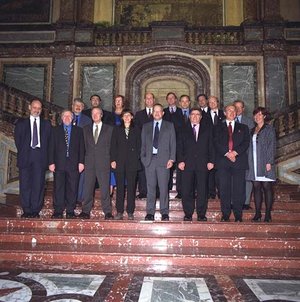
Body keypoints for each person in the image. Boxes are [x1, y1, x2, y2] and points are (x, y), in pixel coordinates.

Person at [14, 99, 51, 218]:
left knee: (38, 185)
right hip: (25, 156)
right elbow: (18, 141)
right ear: (30, 107)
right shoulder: (21, 123)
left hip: (40, 158)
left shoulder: (47, 124)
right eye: (34, 107)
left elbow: (49, 143)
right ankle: (27, 209)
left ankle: (35, 209)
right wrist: (25, 152)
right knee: (25, 184)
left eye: (39, 108)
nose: (37, 110)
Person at [213, 104, 250, 222]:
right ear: (224, 113)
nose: (232, 112)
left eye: (234, 110)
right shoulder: (217, 127)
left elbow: (246, 142)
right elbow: (215, 142)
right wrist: (227, 153)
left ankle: (238, 215)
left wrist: (235, 153)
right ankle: (225, 214)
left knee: (239, 189)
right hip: (223, 162)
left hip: (238, 162)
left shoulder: (243, 127)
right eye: (229, 110)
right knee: (224, 190)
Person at [177, 108, 215, 221]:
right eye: (192, 114)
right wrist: (180, 161)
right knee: (187, 189)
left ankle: (201, 214)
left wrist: (211, 161)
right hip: (187, 164)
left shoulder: (208, 129)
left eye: (197, 114)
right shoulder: (182, 129)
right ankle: (188, 213)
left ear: (201, 117)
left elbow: (211, 146)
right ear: (189, 116)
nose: (195, 116)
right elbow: (179, 147)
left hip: (203, 164)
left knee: (202, 189)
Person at [141, 103, 176, 221]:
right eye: (155, 111)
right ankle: (150, 212)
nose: (156, 113)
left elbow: (173, 143)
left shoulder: (169, 126)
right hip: (150, 161)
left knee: (163, 188)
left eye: (159, 111)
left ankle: (164, 212)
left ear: (163, 113)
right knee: (150, 188)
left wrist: (171, 159)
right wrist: (144, 159)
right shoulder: (146, 126)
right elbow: (143, 145)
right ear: (152, 113)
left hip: (164, 161)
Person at [78, 107, 114, 220]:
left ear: (101, 115)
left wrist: (112, 160)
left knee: (104, 188)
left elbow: (112, 147)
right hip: (89, 162)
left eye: (97, 113)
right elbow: (82, 147)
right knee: (88, 187)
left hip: (104, 162)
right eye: (93, 113)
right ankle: (85, 211)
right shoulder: (85, 129)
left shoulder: (109, 129)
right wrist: (82, 162)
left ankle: (107, 211)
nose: (95, 115)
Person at [48, 110, 85, 219]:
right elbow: (51, 147)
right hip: (59, 163)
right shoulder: (55, 130)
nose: (67, 118)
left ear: (73, 118)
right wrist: (51, 162)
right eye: (65, 116)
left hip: (74, 164)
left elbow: (82, 148)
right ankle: (58, 211)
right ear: (61, 118)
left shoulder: (79, 131)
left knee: (72, 188)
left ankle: (70, 211)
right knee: (58, 187)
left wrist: (81, 162)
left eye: (69, 116)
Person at [246, 107, 276, 222]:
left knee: (267, 187)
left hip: (265, 162)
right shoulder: (252, 130)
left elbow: (271, 146)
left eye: (260, 114)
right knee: (256, 187)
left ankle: (268, 214)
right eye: (255, 115)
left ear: (264, 116)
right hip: (253, 162)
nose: (257, 116)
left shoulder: (269, 129)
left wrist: (269, 162)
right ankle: (258, 213)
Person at [111, 109, 141, 220]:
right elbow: (113, 146)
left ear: (132, 117)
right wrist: (113, 160)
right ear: (122, 118)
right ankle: (119, 211)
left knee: (131, 188)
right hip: (119, 162)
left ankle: (130, 211)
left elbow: (140, 145)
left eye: (129, 115)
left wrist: (136, 156)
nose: (127, 117)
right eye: (125, 115)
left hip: (132, 163)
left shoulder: (137, 129)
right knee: (119, 188)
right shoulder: (117, 129)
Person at [233, 100, 255, 210]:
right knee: (232, 180)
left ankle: (246, 203)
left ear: (243, 109)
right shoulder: (226, 121)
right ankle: (233, 202)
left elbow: (251, 141)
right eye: (235, 107)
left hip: (246, 154)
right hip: (231, 156)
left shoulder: (250, 122)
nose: (237, 109)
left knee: (247, 179)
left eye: (239, 107)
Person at [134, 92, 155, 199]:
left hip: (156, 147)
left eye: (151, 98)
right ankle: (143, 191)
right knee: (142, 171)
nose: (149, 100)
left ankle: (156, 192)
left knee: (155, 171)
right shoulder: (138, 114)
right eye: (147, 98)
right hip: (143, 147)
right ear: (144, 100)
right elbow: (137, 131)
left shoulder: (158, 113)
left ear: (154, 100)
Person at [71, 98, 92, 203]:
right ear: (72, 106)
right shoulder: (66, 117)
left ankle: (79, 198)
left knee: (82, 177)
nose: (78, 107)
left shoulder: (88, 120)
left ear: (83, 108)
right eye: (76, 105)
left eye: (80, 106)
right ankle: (69, 198)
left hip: (82, 152)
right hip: (68, 153)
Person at [163, 92, 183, 193]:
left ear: (176, 100)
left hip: (179, 142)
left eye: (172, 98)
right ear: (167, 100)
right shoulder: (163, 112)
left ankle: (180, 189)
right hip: (166, 143)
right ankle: (167, 186)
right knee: (167, 165)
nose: (170, 100)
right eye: (168, 98)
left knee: (180, 165)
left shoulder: (181, 112)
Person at [207, 96, 225, 199]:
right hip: (209, 147)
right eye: (210, 102)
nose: (212, 103)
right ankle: (211, 193)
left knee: (221, 172)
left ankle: (221, 193)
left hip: (222, 148)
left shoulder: (224, 114)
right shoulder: (204, 116)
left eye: (214, 101)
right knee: (210, 172)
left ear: (217, 102)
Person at [175, 95, 192, 199]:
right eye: (182, 101)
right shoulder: (174, 115)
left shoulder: (195, 114)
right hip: (179, 146)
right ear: (179, 103)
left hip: (192, 147)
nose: (185, 103)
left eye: (187, 101)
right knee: (180, 171)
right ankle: (180, 191)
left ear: (189, 102)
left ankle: (191, 190)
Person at [110, 95, 126, 197]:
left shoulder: (127, 114)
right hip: (113, 144)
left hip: (124, 145)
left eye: (120, 100)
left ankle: (123, 186)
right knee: (112, 165)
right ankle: (111, 186)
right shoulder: (109, 115)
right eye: (116, 100)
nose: (118, 102)